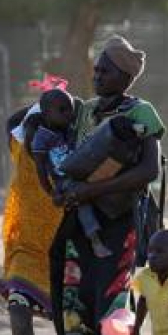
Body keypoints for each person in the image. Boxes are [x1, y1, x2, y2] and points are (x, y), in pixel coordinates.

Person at [50, 35, 165, 335]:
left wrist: (92, 192)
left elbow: (148, 171)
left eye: (106, 70)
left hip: (119, 230)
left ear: (126, 76)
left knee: (112, 326)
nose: (97, 75)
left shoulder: (141, 114)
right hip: (79, 232)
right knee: (77, 327)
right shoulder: (82, 113)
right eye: (96, 69)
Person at [0, 103, 64, 335]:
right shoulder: (20, 153)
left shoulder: (69, 159)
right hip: (26, 250)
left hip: (65, 251)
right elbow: (11, 121)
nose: (37, 139)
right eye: (33, 131)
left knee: (68, 326)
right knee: (18, 311)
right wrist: (43, 102)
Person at [29, 88, 112, 258]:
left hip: (81, 172)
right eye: (62, 110)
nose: (68, 114)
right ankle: (95, 239)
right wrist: (52, 192)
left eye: (70, 110)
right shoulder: (41, 138)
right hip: (65, 181)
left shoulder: (69, 129)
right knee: (82, 201)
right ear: (46, 113)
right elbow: (40, 168)